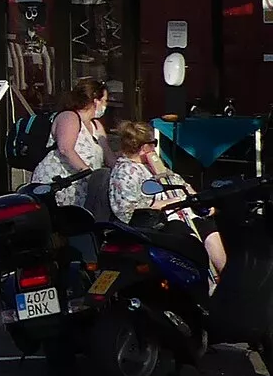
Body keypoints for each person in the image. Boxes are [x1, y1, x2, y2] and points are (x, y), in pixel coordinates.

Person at [109, 118, 228, 286]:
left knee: (207, 225)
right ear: (144, 148)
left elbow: (178, 183)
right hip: (155, 222)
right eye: (154, 144)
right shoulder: (125, 171)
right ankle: (205, 284)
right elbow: (129, 210)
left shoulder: (153, 165)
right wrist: (170, 203)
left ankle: (225, 279)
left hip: (179, 213)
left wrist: (195, 200)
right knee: (188, 238)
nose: (155, 148)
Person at [29, 78, 109, 207]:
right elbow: (66, 149)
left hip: (82, 188)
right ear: (95, 100)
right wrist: (88, 173)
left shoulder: (96, 125)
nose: (105, 105)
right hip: (60, 184)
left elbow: (108, 155)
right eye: (104, 101)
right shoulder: (69, 117)